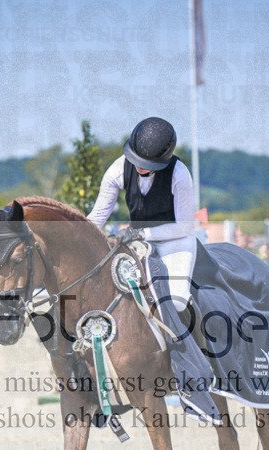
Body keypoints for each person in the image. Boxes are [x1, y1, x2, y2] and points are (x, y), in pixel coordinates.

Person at [85, 116, 222, 425]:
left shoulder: (179, 174)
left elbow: (185, 225)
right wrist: (78, 238)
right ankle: (105, 387)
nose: (141, 167)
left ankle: (192, 378)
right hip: (136, 242)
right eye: (137, 160)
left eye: (148, 163)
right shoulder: (118, 168)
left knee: (174, 300)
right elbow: (98, 215)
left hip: (175, 241)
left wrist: (144, 234)